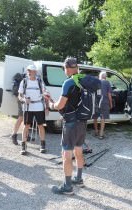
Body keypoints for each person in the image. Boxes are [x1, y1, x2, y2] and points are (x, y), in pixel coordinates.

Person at [48, 57, 86, 195]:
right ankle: (79, 178)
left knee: (66, 155)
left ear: (68, 68)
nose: (64, 70)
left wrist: (51, 105)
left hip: (70, 123)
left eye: (64, 68)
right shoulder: (83, 80)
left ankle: (67, 187)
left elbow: (60, 105)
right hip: (82, 122)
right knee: (79, 151)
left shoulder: (68, 82)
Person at [18, 64, 49, 154]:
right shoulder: (24, 82)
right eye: (30, 71)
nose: (32, 72)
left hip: (39, 106)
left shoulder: (39, 81)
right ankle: (23, 146)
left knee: (40, 125)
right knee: (26, 126)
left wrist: (47, 107)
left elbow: (45, 93)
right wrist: (24, 99)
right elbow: (19, 95)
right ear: (28, 72)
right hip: (28, 107)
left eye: (33, 71)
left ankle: (42, 146)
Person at [93, 71, 113, 139]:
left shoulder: (96, 82)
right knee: (103, 118)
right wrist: (111, 103)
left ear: (100, 76)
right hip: (104, 102)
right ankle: (101, 134)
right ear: (105, 77)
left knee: (95, 117)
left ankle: (96, 131)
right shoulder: (107, 82)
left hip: (96, 101)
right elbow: (109, 94)